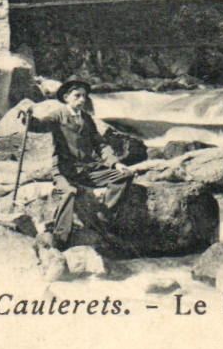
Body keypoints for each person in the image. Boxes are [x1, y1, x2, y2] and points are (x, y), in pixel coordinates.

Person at [10, 78, 134, 250]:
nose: (82, 100)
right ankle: (60, 238)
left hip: (88, 170)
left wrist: (115, 164)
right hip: (64, 171)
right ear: (67, 97)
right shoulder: (58, 115)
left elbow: (100, 144)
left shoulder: (87, 119)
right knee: (68, 192)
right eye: (77, 96)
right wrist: (27, 116)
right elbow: (38, 125)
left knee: (125, 175)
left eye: (84, 96)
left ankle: (104, 214)